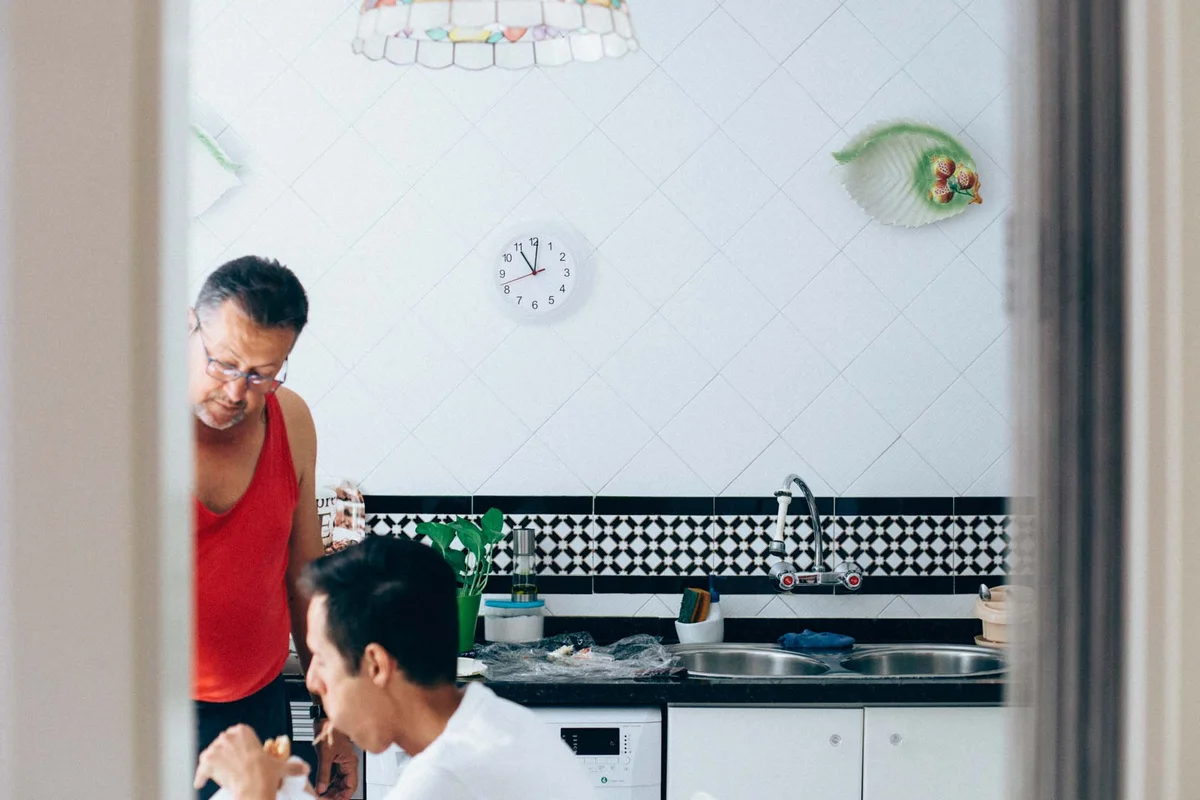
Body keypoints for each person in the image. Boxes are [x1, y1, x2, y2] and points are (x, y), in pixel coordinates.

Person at [195, 536, 597, 800]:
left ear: (375, 665)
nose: (313, 680)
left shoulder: (442, 780)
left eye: (321, 659)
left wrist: (253, 791)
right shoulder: (500, 723)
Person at [191, 256, 358, 799]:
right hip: (146, 714)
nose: (238, 391)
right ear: (190, 326)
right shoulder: (128, 424)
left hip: (263, 711)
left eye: (262, 373)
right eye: (224, 363)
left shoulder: (293, 420)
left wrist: (334, 715)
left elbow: (305, 580)